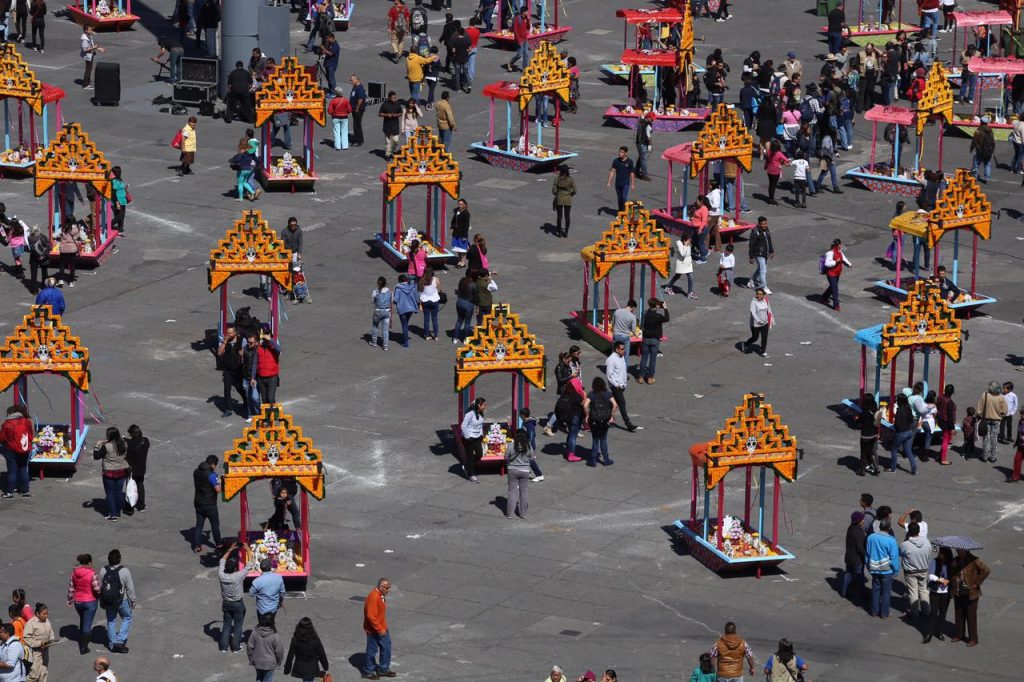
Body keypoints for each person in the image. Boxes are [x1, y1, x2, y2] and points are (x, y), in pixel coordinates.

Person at [99, 549, 135, 654]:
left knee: (111, 621)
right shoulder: (124, 571)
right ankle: (120, 640)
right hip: (121, 600)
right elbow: (130, 588)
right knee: (127, 617)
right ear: (119, 559)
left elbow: (102, 586)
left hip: (108, 600)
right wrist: (132, 600)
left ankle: (112, 644)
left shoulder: (103, 570)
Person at [951, 548, 990, 646]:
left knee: (971, 616)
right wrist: (953, 566)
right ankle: (960, 635)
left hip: (971, 593)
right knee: (959, 614)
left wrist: (977, 582)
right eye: (957, 550)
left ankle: (973, 639)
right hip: (958, 591)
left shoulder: (974, 560)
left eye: (959, 550)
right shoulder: (956, 560)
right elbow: (952, 572)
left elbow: (986, 570)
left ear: (965, 550)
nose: (957, 551)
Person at [92, 427, 129, 520]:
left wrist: (97, 446)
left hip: (109, 472)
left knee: (110, 493)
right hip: (122, 471)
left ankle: (113, 514)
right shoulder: (123, 444)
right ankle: (117, 511)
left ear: (109, 436)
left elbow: (96, 456)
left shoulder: (106, 446)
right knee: (118, 492)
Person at [867, 518, 900, 618]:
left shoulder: (871, 537)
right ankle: (884, 613)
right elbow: (894, 557)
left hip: (874, 568)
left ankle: (874, 611)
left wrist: (867, 565)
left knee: (875, 589)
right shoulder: (891, 540)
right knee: (886, 592)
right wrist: (896, 570)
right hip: (887, 570)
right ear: (889, 528)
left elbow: (868, 553)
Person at [362, 578, 395, 679]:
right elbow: (371, 616)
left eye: (390, 588)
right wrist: (380, 629)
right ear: (380, 587)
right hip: (374, 630)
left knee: (386, 647)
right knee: (372, 650)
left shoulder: (381, 595)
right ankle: (368, 671)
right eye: (387, 588)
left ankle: (383, 669)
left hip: (382, 627)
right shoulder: (374, 597)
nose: (388, 590)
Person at [67, 554, 99, 654]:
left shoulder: (74, 573)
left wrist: (70, 600)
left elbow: (71, 588)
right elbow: (97, 588)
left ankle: (83, 637)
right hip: (90, 601)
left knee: (83, 619)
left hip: (78, 602)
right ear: (89, 562)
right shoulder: (92, 573)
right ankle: (84, 647)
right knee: (87, 623)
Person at [218, 543, 247, 653]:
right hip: (237, 603)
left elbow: (222, 561)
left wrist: (230, 549)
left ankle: (223, 647)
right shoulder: (238, 576)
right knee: (238, 625)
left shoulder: (221, 575)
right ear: (235, 568)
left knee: (226, 624)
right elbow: (251, 564)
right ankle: (235, 647)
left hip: (226, 603)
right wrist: (247, 549)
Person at [900, 522, 932, 620]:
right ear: (919, 531)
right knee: (924, 590)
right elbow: (930, 552)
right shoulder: (926, 542)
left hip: (910, 572)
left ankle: (914, 613)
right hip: (923, 570)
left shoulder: (905, 544)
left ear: (909, 532)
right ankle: (926, 611)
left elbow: (900, 553)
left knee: (913, 592)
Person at [606, 341, 639, 432]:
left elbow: (621, 369)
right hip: (616, 386)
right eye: (622, 349)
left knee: (612, 403)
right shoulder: (611, 359)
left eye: (624, 349)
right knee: (622, 404)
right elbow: (609, 375)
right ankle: (628, 424)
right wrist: (617, 385)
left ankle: (603, 418)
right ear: (616, 349)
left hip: (622, 385)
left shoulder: (621, 357)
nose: (624, 350)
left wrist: (625, 378)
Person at [922, 546, 953, 643]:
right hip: (935, 591)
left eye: (941, 553)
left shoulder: (951, 563)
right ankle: (929, 634)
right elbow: (931, 575)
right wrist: (939, 580)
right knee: (933, 613)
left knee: (943, 612)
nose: (939, 554)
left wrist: (949, 580)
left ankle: (939, 632)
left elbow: (953, 576)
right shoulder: (934, 561)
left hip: (946, 592)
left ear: (946, 555)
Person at [583, 377, 616, 467]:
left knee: (595, 439)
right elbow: (615, 404)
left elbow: (585, 405)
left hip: (594, 419)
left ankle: (593, 460)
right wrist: (611, 416)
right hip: (605, 419)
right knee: (603, 438)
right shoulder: (608, 394)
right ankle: (606, 459)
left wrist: (587, 415)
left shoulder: (591, 394)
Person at [283, 618, 329, 682]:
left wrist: (287, 669)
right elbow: (322, 654)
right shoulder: (315, 640)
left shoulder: (295, 640)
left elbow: (290, 656)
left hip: (300, 667)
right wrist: (325, 666)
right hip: (312, 667)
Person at [192, 454, 221, 552]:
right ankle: (218, 544)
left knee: (199, 525)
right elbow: (218, 490)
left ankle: (197, 545)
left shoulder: (196, 472)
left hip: (198, 502)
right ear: (213, 464)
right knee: (215, 525)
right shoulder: (212, 475)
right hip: (210, 504)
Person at [504, 428, 534, 518]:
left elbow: (506, 457)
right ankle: (523, 514)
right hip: (525, 471)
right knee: (524, 492)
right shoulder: (528, 446)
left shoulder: (511, 445)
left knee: (512, 491)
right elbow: (532, 458)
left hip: (512, 470)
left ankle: (509, 513)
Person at [247, 612, 285, 682]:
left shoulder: (255, 632)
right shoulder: (275, 635)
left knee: (259, 678)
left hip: (257, 661)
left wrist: (251, 659)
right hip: (270, 663)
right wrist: (279, 662)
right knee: (268, 679)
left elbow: (250, 647)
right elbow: (279, 651)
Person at [638, 297, 668, 384]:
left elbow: (641, 326)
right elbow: (667, 318)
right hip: (655, 339)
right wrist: (665, 308)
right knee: (653, 359)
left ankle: (641, 377)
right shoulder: (658, 316)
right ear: (656, 306)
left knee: (644, 358)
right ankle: (650, 377)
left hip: (646, 338)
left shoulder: (645, 313)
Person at [22, 603, 55, 681]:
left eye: (47, 614)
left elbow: (51, 633)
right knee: (34, 675)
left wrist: (51, 641)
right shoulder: (31, 623)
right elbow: (27, 638)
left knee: (43, 673)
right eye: (44, 614)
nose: (46, 616)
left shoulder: (47, 621)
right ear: (37, 614)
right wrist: (39, 643)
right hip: (36, 653)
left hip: (45, 651)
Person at [976, 381, 1007, 463]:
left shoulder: (985, 395)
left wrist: (979, 415)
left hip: (986, 420)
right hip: (996, 421)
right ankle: (993, 457)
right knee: (994, 438)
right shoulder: (1001, 398)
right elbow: (1005, 411)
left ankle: (984, 456)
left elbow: (979, 410)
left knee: (986, 438)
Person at [889, 393, 919, 474]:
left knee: (894, 450)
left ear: (899, 401)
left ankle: (893, 468)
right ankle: (914, 469)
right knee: (908, 450)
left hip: (901, 433)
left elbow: (897, 424)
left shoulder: (899, 410)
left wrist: (894, 427)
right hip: (909, 431)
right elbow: (911, 420)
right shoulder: (908, 408)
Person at [841, 511, 867, 603]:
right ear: (859, 521)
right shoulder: (859, 531)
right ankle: (862, 594)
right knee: (859, 577)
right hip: (857, 559)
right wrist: (867, 556)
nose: (863, 521)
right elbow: (860, 548)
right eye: (862, 519)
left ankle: (844, 591)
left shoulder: (850, 528)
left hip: (849, 557)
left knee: (848, 573)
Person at [821, 238, 853, 311]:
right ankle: (836, 305)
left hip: (837, 273)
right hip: (831, 274)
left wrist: (849, 264)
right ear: (838, 245)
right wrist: (835, 262)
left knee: (832, 287)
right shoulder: (830, 253)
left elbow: (844, 258)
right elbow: (827, 264)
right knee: (835, 289)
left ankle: (824, 297)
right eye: (840, 244)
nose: (841, 245)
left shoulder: (839, 251)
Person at [123, 424, 148, 514]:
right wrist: (128, 441)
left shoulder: (130, 444)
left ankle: (129, 507)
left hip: (132, 469)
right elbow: (137, 443)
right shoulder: (146, 441)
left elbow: (128, 457)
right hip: (141, 468)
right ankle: (141, 505)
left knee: (130, 488)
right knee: (140, 486)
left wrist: (127, 442)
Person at [459, 397, 486, 482]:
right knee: (470, 455)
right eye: (484, 405)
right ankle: (471, 474)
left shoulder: (481, 413)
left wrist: (481, 434)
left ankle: (468, 465)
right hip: (468, 438)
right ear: (479, 405)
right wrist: (467, 437)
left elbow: (480, 424)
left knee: (479, 454)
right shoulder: (470, 414)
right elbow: (463, 426)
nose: (485, 406)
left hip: (477, 437)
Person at [742, 288, 772, 358]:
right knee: (755, 337)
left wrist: (770, 319)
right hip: (755, 324)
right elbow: (753, 312)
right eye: (757, 294)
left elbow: (769, 310)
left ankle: (763, 351)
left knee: (764, 337)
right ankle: (746, 344)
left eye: (760, 294)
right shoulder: (753, 302)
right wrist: (758, 320)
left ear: (763, 295)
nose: (758, 295)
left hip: (765, 323)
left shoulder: (766, 301)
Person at [747, 217, 773, 293]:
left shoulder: (767, 230)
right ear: (759, 224)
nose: (765, 225)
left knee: (760, 269)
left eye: (766, 223)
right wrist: (751, 256)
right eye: (763, 224)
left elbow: (769, 240)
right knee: (763, 271)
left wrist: (771, 251)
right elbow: (751, 245)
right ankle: (764, 286)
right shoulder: (755, 232)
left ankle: (751, 281)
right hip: (759, 254)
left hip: (765, 253)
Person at [392, 274, 419, 348]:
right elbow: (417, 298)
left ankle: (406, 342)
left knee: (404, 325)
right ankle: (405, 338)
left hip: (402, 309)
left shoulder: (398, 288)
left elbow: (395, 300)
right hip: (410, 309)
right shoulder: (412, 287)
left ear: (400, 281)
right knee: (406, 323)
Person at [606, 147, 635, 213]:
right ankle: (620, 212)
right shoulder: (616, 161)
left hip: (625, 184)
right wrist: (609, 182)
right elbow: (612, 171)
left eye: (622, 152)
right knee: (619, 198)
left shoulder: (630, 162)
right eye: (619, 152)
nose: (620, 153)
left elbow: (632, 173)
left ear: (626, 153)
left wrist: (633, 184)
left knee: (624, 198)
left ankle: (625, 211)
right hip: (618, 184)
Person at [610, 300, 637, 367]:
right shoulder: (632, 316)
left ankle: (613, 370)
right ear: (633, 307)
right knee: (625, 356)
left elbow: (613, 323)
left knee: (614, 354)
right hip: (625, 336)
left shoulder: (617, 311)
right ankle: (624, 373)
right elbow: (633, 330)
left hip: (616, 335)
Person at [969, 116, 995, 183]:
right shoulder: (990, 130)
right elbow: (993, 141)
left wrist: (971, 148)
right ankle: (987, 178)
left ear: (981, 122)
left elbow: (974, 141)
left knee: (976, 163)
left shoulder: (978, 130)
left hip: (980, 150)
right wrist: (992, 151)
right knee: (987, 165)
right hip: (989, 151)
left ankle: (975, 177)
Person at [417, 267, 441, 341]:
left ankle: (427, 335)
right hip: (434, 300)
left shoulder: (421, 280)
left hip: (425, 300)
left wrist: (420, 304)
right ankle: (436, 335)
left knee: (426, 319)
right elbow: (439, 288)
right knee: (435, 319)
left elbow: (419, 292)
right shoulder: (436, 279)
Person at [551, 166, 575, 238]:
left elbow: (554, 191)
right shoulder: (570, 179)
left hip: (559, 199)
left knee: (559, 216)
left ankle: (559, 232)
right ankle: (566, 232)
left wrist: (558, 194)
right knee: (567, 216)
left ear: (560, 171)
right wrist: (570, 195)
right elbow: (575, 190)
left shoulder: (557, 179)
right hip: (568, 199)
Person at [378, 91, 403, 160]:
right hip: (387, 125)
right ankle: (387, 154)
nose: (394, 99)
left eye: (395, 98)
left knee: (396, 140)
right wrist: (387, 115)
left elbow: (401, 113)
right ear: (389, 98)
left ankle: (393, 150)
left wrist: (396, 115)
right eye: (392, 98)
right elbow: (380, 114)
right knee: (388, 141)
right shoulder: (384, 104)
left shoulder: (398, 104)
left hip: (395, 125)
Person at [505, 6, 531, 72]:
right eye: (526, 11)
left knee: (526, 54)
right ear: (523, 12)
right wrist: (519, 40)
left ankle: (525, 68)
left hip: (525, 39)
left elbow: (528, 28)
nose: (527, 12)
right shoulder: (517, 19)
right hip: (519, 40)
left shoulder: (526, 18)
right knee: (519, 54)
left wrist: (528, 20)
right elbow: (515, 30)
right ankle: (510, 63)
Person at [80, 25, 102, 90]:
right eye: (89, 30)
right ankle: (86, 84)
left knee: (89, 69)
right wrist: (94, 48)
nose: (91, 31)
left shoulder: (89, 36)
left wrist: (99, 48)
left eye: (91, 29)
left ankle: (87, 83)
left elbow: (91, 45)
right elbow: (84, 49)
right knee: (88, 70)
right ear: (86, 31)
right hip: (88, 56)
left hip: (90, 54)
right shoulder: (85, 39)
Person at [450, 198, 470, 266]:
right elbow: (453, 220)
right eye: (459, 204)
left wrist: (465, 236)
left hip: (462, 233)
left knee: (463, 249)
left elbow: (466, 225)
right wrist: (452, 227)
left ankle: (463, 262)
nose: (460, 205)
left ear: (465, 205)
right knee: (457, 247)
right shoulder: (456, 211)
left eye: (461, 204)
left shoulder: (466, 213)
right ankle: (459, 260)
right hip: (456, 232)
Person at [635, 111, 654, 180]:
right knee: (644, 159)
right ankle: (645, 175)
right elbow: (642, 135)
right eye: (652, 119)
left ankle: (636, 172)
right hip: (642, 143)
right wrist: (644, 143)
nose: (653, 120)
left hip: (642, 143)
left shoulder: (646, 122)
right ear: (648, 117)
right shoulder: (643, 123)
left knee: (641, 158)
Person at [349, 75, 367, 146]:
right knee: (356, 124)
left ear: (357, 80)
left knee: (357, 125)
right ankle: (357, 138)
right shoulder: (355, 87)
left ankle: (359, 141)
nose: (351, 82)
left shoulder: (360, 88)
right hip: (354, 109)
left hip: (358, 110)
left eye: (352, 80)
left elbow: (361, 98)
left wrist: (357, 108)